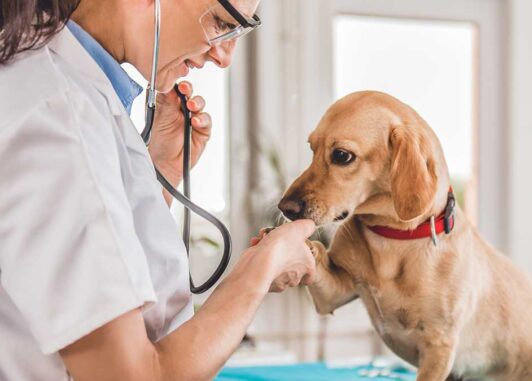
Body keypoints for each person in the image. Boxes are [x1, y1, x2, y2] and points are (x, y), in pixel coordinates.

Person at [0, 1, 316, 380]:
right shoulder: (57, 116)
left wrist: (159, 173)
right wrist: (261, 267)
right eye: (220, 22)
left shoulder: (64, 87)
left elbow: (83, 259)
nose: (224, 56)